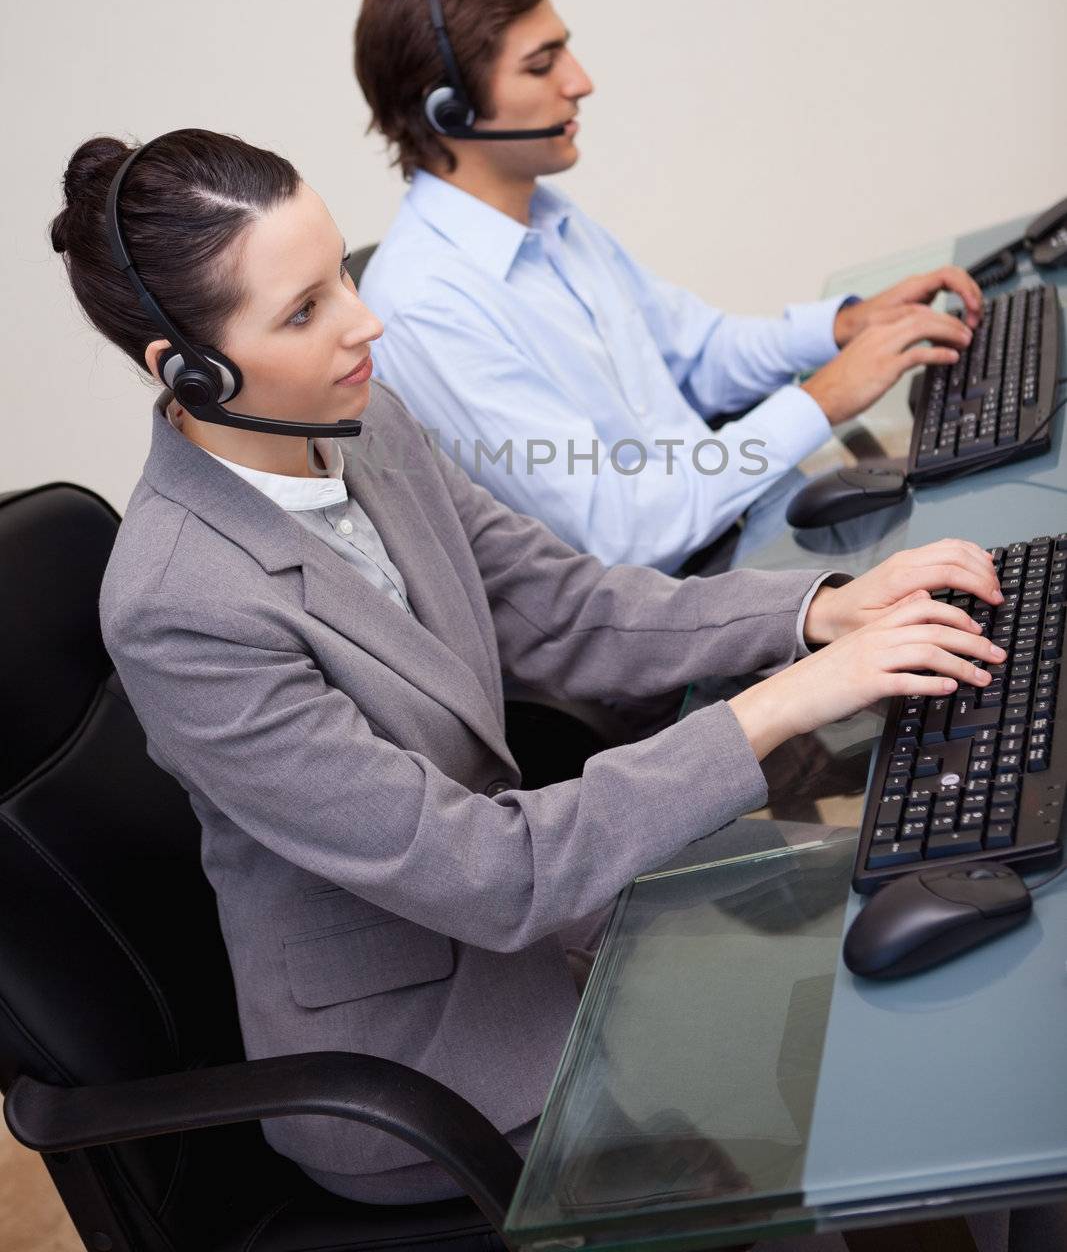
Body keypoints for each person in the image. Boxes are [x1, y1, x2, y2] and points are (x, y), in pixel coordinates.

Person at [50, 126, 1004, 1207]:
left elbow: (562, 604)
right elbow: (482, 871)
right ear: (187, 369)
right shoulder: (180, 602)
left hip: (552, 915)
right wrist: (783, 702)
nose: (367, 320)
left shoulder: (359, 418)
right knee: (854, 1072)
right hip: (417, 1058)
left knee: (910, 972)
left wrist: (816, 609)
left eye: (335, 278)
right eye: (305, 310)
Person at [353, 0, 984, 571]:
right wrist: (822, 400)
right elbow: (623, 531)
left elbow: (699, 354)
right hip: (676, 610)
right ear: (451, 112)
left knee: (989, 527)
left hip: (749, 523)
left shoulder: (546, 216)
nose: (581, 81)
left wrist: (843, 328)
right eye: (542, 65)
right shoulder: (426, 304)